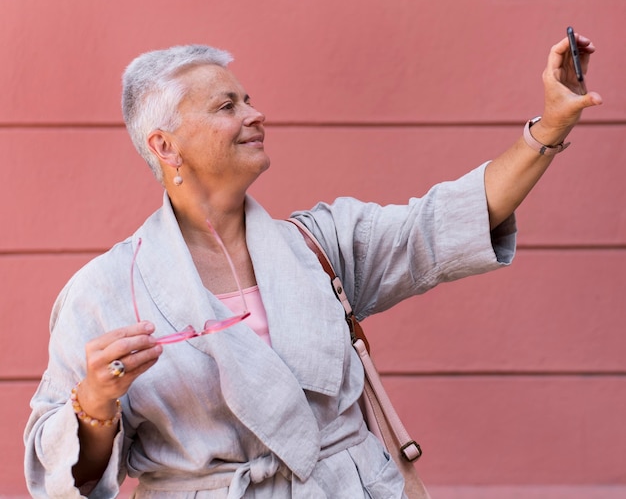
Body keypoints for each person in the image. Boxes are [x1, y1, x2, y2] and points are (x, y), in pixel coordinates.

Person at [24, 32, 602, 498]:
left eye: (247, 99)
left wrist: (551, 125)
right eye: (228, 106)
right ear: (165, 146)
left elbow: (442, 222)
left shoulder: (320, 244)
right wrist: (95, 404)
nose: (256, 114)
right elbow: (58, 465)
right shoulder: (102, 291)